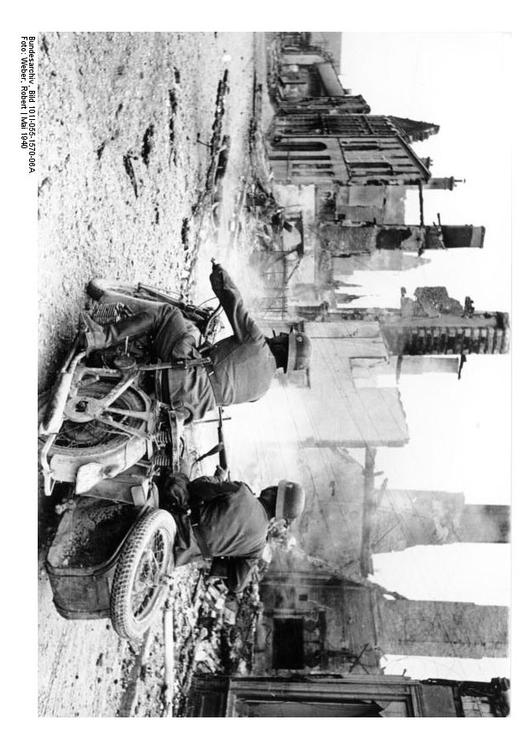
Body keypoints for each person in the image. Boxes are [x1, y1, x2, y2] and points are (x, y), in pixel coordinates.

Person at [81, 262, 311, 421]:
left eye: (283, 337)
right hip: (186, 407)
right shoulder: (262, 390)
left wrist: (220, 275)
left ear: (284, 346)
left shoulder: (256, 342)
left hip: (183, 376)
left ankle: (100, 337)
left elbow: (234, 303)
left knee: (168, 314)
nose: (278, 335)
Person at [164, 470, 305, 593]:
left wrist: (218, 479)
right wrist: (226, 553)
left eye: (276, 488)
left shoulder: (242, 491)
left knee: (178, 479)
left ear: (273, 492)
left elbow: (196, 487)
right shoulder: (258, 547)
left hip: (176, 525)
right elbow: (236, 585)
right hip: (182, 555)